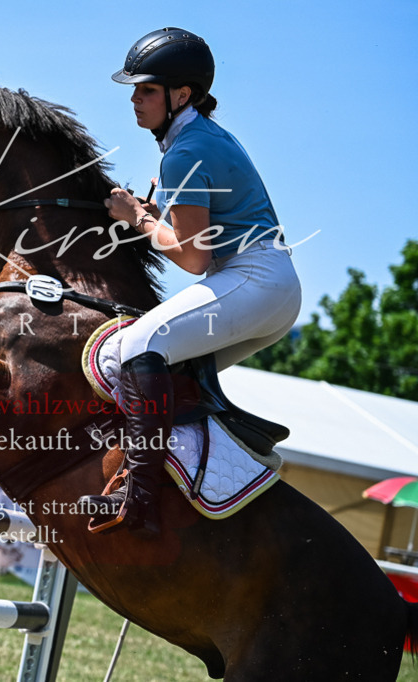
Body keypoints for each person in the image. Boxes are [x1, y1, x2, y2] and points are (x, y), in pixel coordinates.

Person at [78, 28, 302, 537]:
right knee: (163, 373)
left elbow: (192, 259)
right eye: (133, 89)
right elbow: (194, 235)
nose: (134, 99)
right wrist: (156, 217)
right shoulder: (197, 137)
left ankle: (140, 505)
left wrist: (135, 216)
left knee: (134, 349)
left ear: (182, 94)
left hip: (253, 278)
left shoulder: (183, 151)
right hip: (265, 285)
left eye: (146, 90)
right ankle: (239, 446)